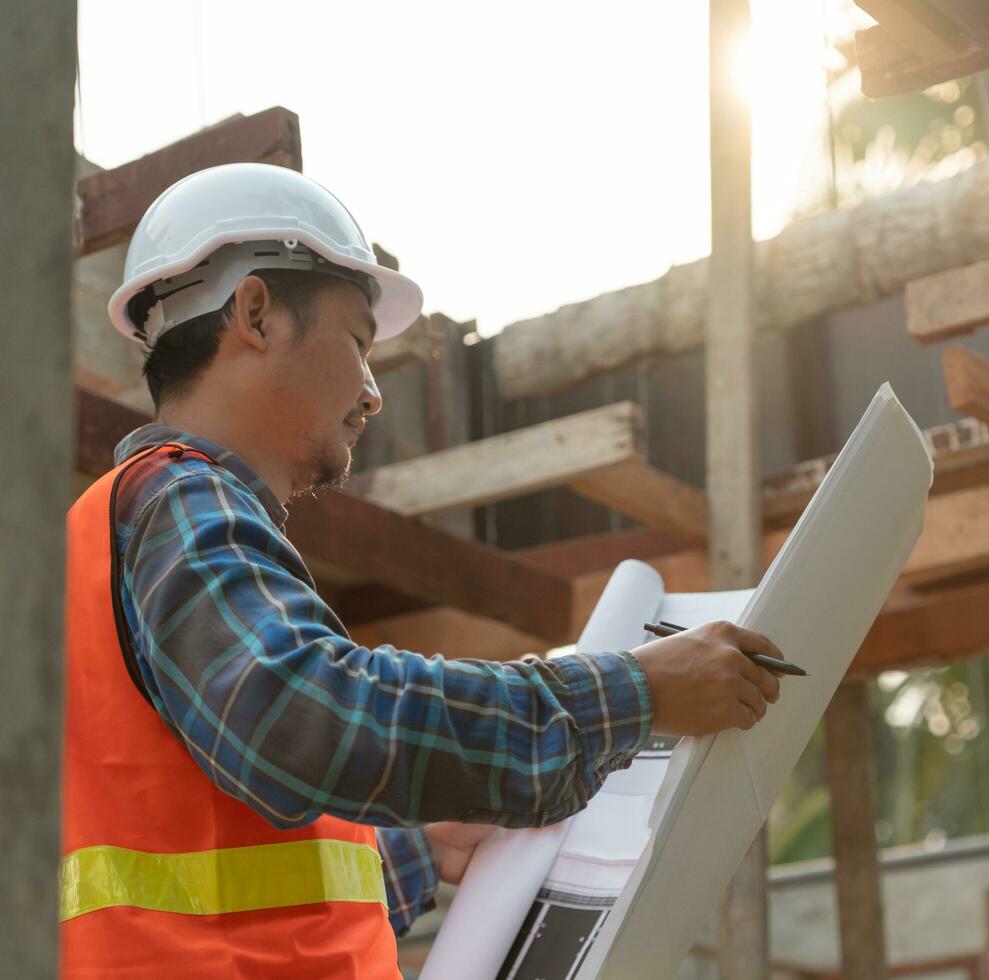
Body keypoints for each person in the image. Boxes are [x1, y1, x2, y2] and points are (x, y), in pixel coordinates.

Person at [61, 162, 785, 978]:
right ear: (257, 312)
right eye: (359, 343)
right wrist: (631, 694)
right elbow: (303, 718)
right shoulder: (181, 500)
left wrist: (417, 852)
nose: (372, 395)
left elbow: (232, 860)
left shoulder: (129, 528)